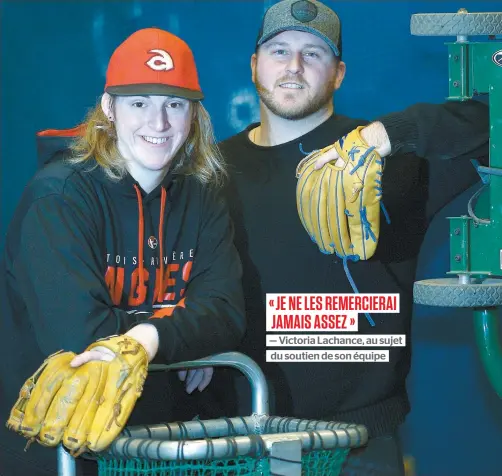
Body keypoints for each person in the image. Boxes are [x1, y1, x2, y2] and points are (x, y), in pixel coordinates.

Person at [212, 1, 490, 475]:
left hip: (360, 443)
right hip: (247, 435)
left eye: (314, 53)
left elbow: (493, 124)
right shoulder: (212, 172)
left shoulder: (390, 164)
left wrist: (388, 133)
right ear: (256, 65)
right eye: (279, 50)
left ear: (338, 73)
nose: (294, 66)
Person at [0, 27, 245, 476]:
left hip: (160, 449)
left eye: (174, 104)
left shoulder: (204, 197)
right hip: (59, 453)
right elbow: (81, 337)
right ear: (109, 108)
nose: (159, 123)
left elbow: (228, 314)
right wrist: (185, 342)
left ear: (194, 114)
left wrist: (149, 340)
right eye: (139, 103)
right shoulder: (58, 199)